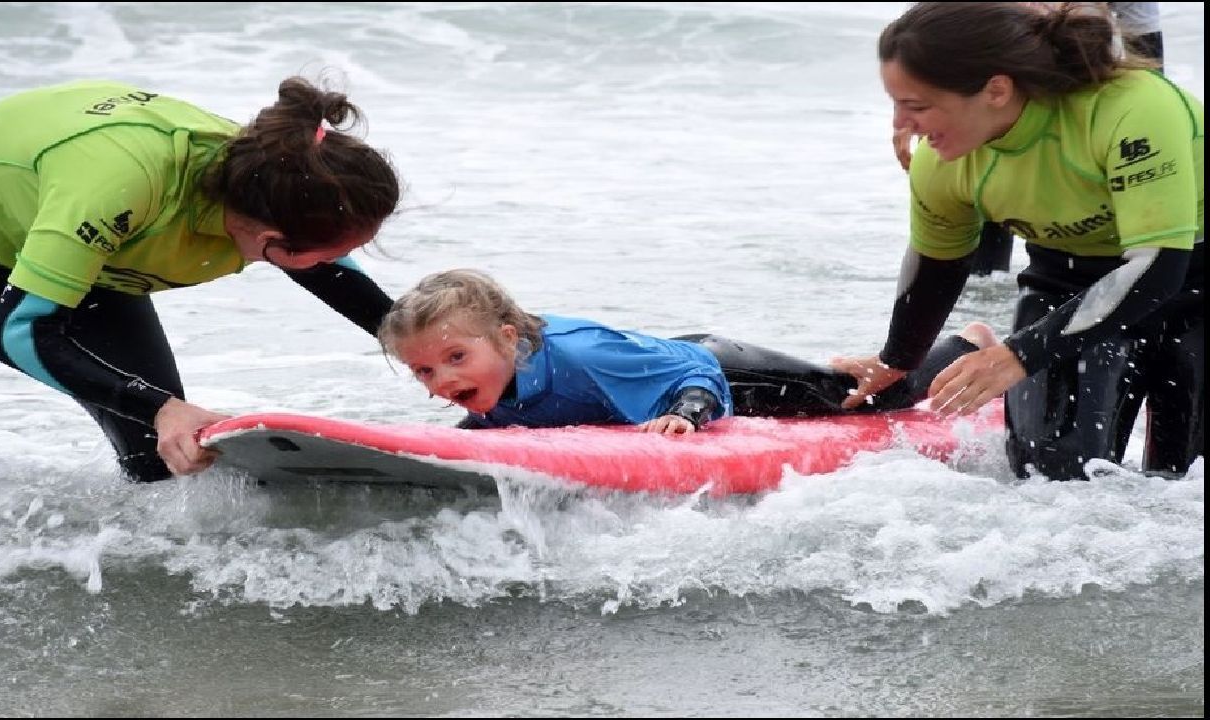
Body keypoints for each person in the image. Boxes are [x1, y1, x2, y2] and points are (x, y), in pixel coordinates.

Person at [0, 77, 401, 481]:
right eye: (334, 252)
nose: (340, 262)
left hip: (78, 245)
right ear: (271, 238)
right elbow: (19, 332)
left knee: (162, 463)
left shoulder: (267, 180)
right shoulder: (124, 188)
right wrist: (163, 409)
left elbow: (328, 268)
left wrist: (418, 343)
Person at [838, 2, 1203, 480]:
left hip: (1191, 282)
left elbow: (1157, 266)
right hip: (1065, 285)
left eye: (918, 105)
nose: (902, 126)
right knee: (1052, 484)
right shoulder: (942, 163)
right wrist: (897, 361)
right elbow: (937, 266)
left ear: (995, 89)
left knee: (1186, 489)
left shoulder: (1133, 108)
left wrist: (1017, 355)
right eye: (896, 103)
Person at [377, 270, 998, 433]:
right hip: (672, 364)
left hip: (723, 370)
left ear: (507, 339)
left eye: (455, 358)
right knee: (831, 382)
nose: (440, 377)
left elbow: (696, 370)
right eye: (424, 370)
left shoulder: (580, 354)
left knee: (868, 402)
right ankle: (826, 364)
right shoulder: (493, 377)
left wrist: (688, 414)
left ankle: (963, 346)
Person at [890, 1, 1166, 277]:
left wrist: (1138, 129)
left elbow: (1148, 68)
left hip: (1085, 98)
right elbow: (924, 46)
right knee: (984, 223)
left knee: (1107, 236)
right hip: (987, 98)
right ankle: (983, 300)